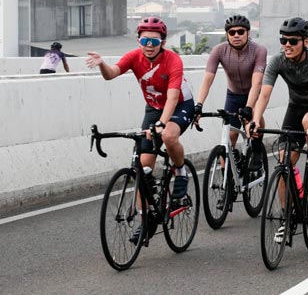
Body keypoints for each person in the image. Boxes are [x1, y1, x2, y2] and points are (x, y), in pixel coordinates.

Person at [85, 16, 195, 242]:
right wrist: (102, 64)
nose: (149, 46)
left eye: (154, 42)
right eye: (145, 41)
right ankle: (146, 221)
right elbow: (111, 74)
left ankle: (181, 172)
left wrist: (161, 124)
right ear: (139, 41)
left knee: (168, 135)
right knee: (142, 170)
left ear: (163, 43)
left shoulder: (173, 60)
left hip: (180, 104)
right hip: (153, 108)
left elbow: (173, 97)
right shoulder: (135, 57)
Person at [251, 17, 308, 215]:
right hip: (294, 108)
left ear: (305, 42)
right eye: (283, 40)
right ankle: (287, 216)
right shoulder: (278, 61)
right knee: (283, 162)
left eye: (293, 41)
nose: (287, 45)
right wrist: (255, 119)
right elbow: (264, 94)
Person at [194, 14, 267, 171]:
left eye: (241, 32)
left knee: (255, 123)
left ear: (249, 33)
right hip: (233, 96)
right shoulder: (219, 50)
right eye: (232, 32)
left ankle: (257, 148)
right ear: (227, 35)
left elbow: (257, 83)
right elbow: (207, 79)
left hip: (252, 95)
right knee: (228, 139)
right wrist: (199, 105)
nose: (236, 35)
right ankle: (228, 181)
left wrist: (249, 107)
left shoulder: (259, 50)